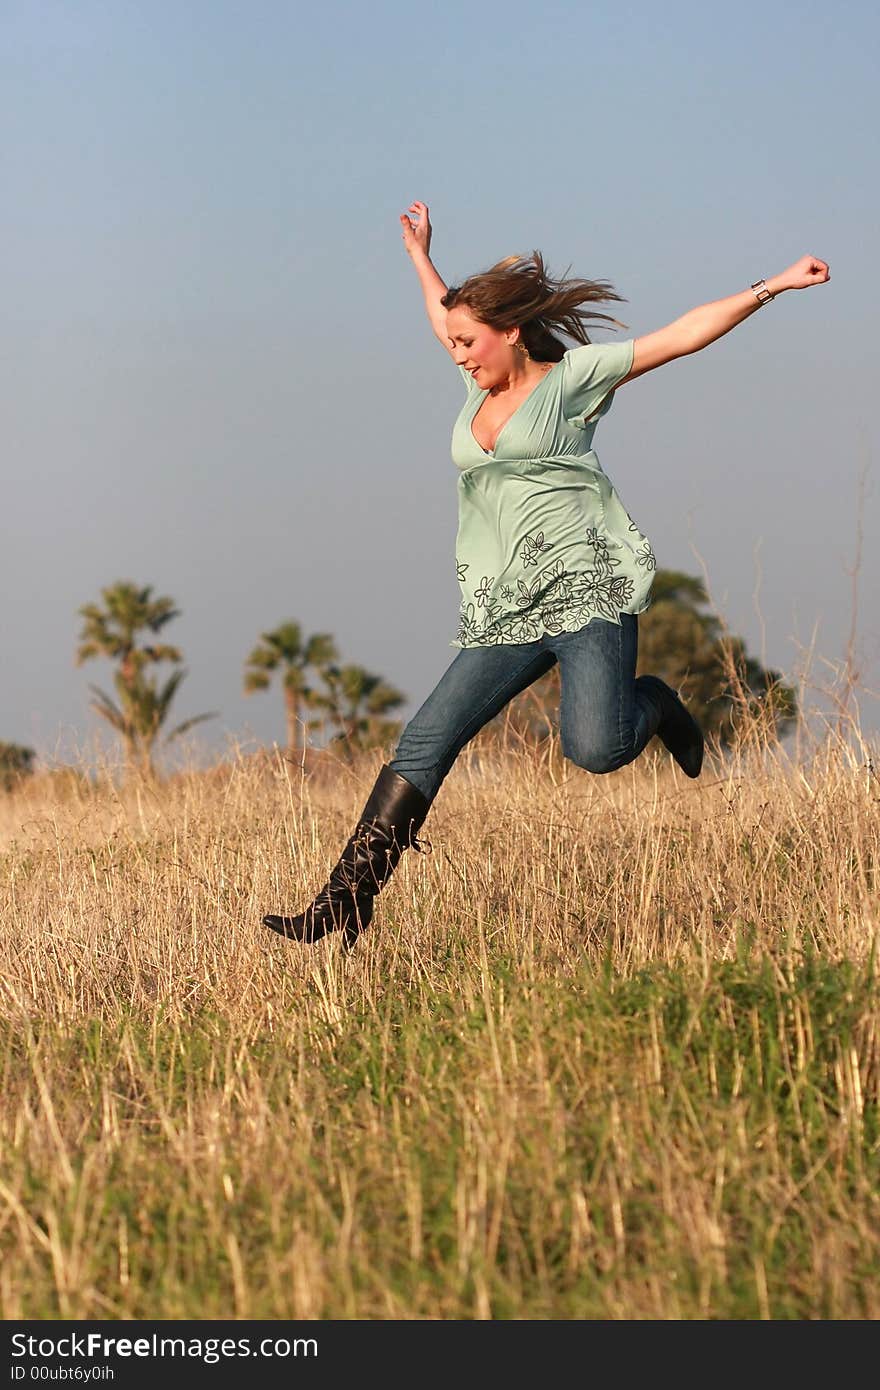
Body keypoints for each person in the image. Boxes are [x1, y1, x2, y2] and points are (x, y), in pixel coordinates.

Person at [263, 202, 829, 949]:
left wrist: (773, 286)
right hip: (509, 604)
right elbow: (445, 316)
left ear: (512, 334)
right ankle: (346, 898)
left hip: (588, 592)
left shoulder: (574, 381)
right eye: (456, 343)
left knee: (596, 749)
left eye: (470, 342)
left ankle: (653, 703)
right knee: (426, 740)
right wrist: (418, 252)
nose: (458, 354)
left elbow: (681, 337)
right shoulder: (477, 387)